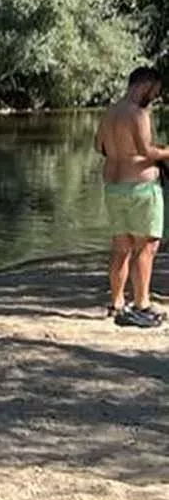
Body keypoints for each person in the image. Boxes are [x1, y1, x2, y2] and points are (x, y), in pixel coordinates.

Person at [96, 66, 169, 326]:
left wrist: (121, 151)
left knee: (121, 247)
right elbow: (146, 151)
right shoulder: (138, 113)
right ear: (144, 85)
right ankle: (142, 305)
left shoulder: (110, 112)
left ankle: (117, 304)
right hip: (140, 188)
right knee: (146, 247)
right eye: (155, 91)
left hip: (113, 188)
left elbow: (99, 146)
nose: (155, 96)